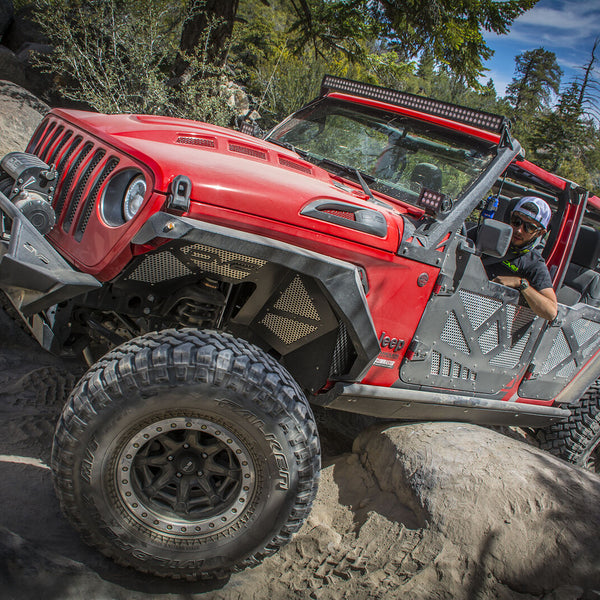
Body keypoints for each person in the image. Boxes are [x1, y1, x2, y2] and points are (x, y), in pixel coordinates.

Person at [483, 196, 558, 321]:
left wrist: (521, 283)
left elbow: (551, 312)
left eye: (529, 227)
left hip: (487, 319)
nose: (518, 230)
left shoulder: (534, 263)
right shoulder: (485, 235)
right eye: (516, 221)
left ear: (539, 233)